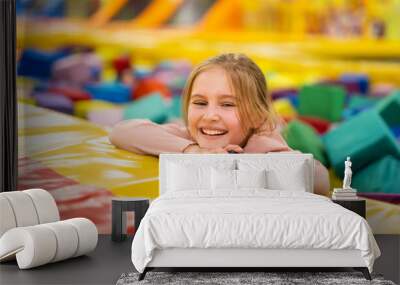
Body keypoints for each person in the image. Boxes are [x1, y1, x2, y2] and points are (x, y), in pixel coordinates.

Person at [109, 53, 330, 196]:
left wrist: (243, 164)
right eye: (200, 103)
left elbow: (320, 178)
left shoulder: (262, 144)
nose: (210, 115)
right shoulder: (191, 138)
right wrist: (193, 151)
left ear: (256, 116)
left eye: (227, 104)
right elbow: (122, 131)